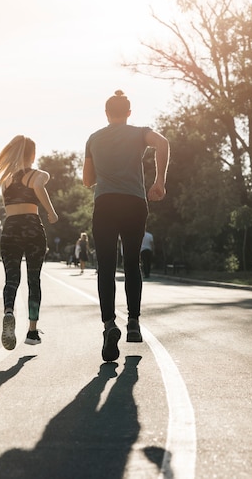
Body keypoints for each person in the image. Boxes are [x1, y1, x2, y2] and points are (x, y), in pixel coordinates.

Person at [83, 90, 170, 362]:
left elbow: (87, 180)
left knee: (106, 267)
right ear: (129, 113)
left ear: (106, 113)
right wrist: (159, 182)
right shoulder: (139, 133)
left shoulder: (94, 139)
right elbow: (163, 143)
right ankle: (133, 323)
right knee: (132, 263)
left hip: (106, 204)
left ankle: (109, 325)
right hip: (134, 203)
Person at [0, 135, 58, 350]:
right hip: (31, 227)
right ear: (33, 154)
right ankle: (32, 331)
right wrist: (51, 212)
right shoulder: (38, 174)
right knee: (33, 280)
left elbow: (6, 204)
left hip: (10, 228)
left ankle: (9, 312)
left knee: (11, 279)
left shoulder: (6, 180)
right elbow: (39, 187)